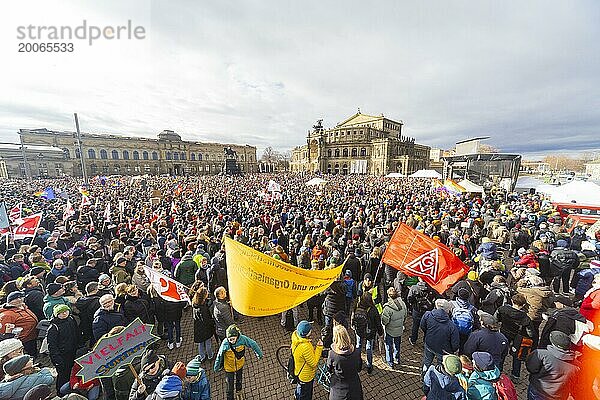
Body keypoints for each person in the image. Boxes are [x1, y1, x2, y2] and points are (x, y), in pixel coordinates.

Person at [214, 324, 263, 400]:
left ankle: (239, 392)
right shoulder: (225, 343)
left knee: (239, 380)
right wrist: (216, 367)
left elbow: (253, 344)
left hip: (240, 364)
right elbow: (219, 355)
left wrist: (259, 354)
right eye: (230, 339)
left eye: (233, 339)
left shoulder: (243, 339)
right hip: (229, 368)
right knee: (229, 386)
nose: (231, 341)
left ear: (237, 336)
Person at [526, 331, 580, 400]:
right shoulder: (577, 366)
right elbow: (573, 383)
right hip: (557, 396)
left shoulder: (541, 354)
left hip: (538, 390)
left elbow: (531, 368)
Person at [496, 293, 535, 382]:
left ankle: (499, 370)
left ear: (512, 301)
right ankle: (515, 375)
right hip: (518, 337)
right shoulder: (525, 318)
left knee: (501, 352)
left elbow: (496, 318)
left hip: (504, 332)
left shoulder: (503, 309)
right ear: (523, 305)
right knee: (517, 355)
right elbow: (530, 333)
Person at [47, 304, 80, 392]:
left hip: (72, 352)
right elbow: (52, 346)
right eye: (61, 313)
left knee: (71, 372)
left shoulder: (71, 319)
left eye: (65, 311)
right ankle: (60, 392)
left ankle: (70, 389)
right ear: (56, 314)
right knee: (63, 375)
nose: (64, 314)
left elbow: (76, 333)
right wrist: (57, 360)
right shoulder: (53, 327)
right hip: (62, 355)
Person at [420, 299, 459, 374]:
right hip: (444, 350)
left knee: (427, 362)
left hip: (429, 344)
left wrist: (427, 334)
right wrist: (451, 350)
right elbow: (455, 344)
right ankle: (439, 381)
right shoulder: (452, 326)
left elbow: (422, 326)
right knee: (441, 366)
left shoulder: (428, 314)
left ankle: (424, 376)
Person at [326, 324, 363, 400]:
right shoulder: (356, 352)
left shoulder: (332, 354)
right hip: (354, 388)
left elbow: (329, 369)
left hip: (338, 390)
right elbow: (359, 368)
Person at [291, 320, 323, 400]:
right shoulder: (305, 347)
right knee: (306, 394)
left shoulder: (296, 338)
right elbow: (313, 363)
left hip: (298, 371)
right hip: (306, 376)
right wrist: (319, 348)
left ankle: (296, 395)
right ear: (307, 334)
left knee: (300, 387)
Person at [0, 291, 39, 357]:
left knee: (33, 353)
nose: (19, 300)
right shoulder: (7, 315)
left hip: (31, 337)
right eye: (16, 299)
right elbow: (4, 332)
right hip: (23, 340)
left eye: (21, 297)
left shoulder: (22, 308)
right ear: (10, 301)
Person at [352, 292, 383, 374]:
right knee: (369, 348)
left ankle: (358, 365)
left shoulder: (357, 305)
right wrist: (380, 333)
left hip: (359, 330)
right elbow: (378, 323)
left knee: (358, 346)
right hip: (370, 332)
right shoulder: (373, 309)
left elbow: (352, 315)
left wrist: (353, 326)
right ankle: (369, 366)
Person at [380, 287, 407, 368]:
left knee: (388, 346)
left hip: (390, 330)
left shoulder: (387, 308)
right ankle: (397, 358)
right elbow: (405, 316)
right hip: (399, 330)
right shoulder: (402, 304)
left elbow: (385, 321)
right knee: (397, 344)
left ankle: (390, 362)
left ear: (388, 296)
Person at [407, 278, 435, 345]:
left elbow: (409, 299)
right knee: (427, 326)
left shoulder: (414, 288)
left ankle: (413, 340)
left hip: (417, 310)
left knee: (415, 325)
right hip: (428, 311)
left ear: (419, 278)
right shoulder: (431, 287)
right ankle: (425, 342)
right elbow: (434, 298)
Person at [192, 285, 215, 363]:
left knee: (201, 344)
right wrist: (212, 322)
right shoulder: (203, 308)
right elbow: (207, 320)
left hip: (198, 327)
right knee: (208, 343)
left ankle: (202, 357)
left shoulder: (195, 304)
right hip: (205, 328)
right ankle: (210, 355)